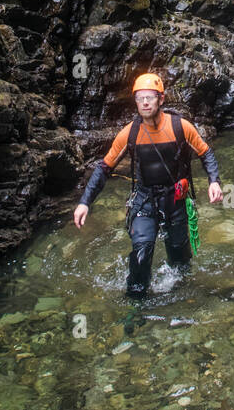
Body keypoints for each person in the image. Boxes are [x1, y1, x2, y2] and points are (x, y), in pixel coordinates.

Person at [73, 72, 223, 298]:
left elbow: (205, 152)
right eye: (139, 98)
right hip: (144, 200)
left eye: (150, 97)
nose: (144, 102)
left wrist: (214, 181)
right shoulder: (130, 133)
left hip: (176, 199)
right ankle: (135, 308)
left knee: (180, 261)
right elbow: (105, 168)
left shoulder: (180, 127)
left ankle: (182, 301)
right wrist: (85, 202)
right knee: (142, 252)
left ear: (161, 99)